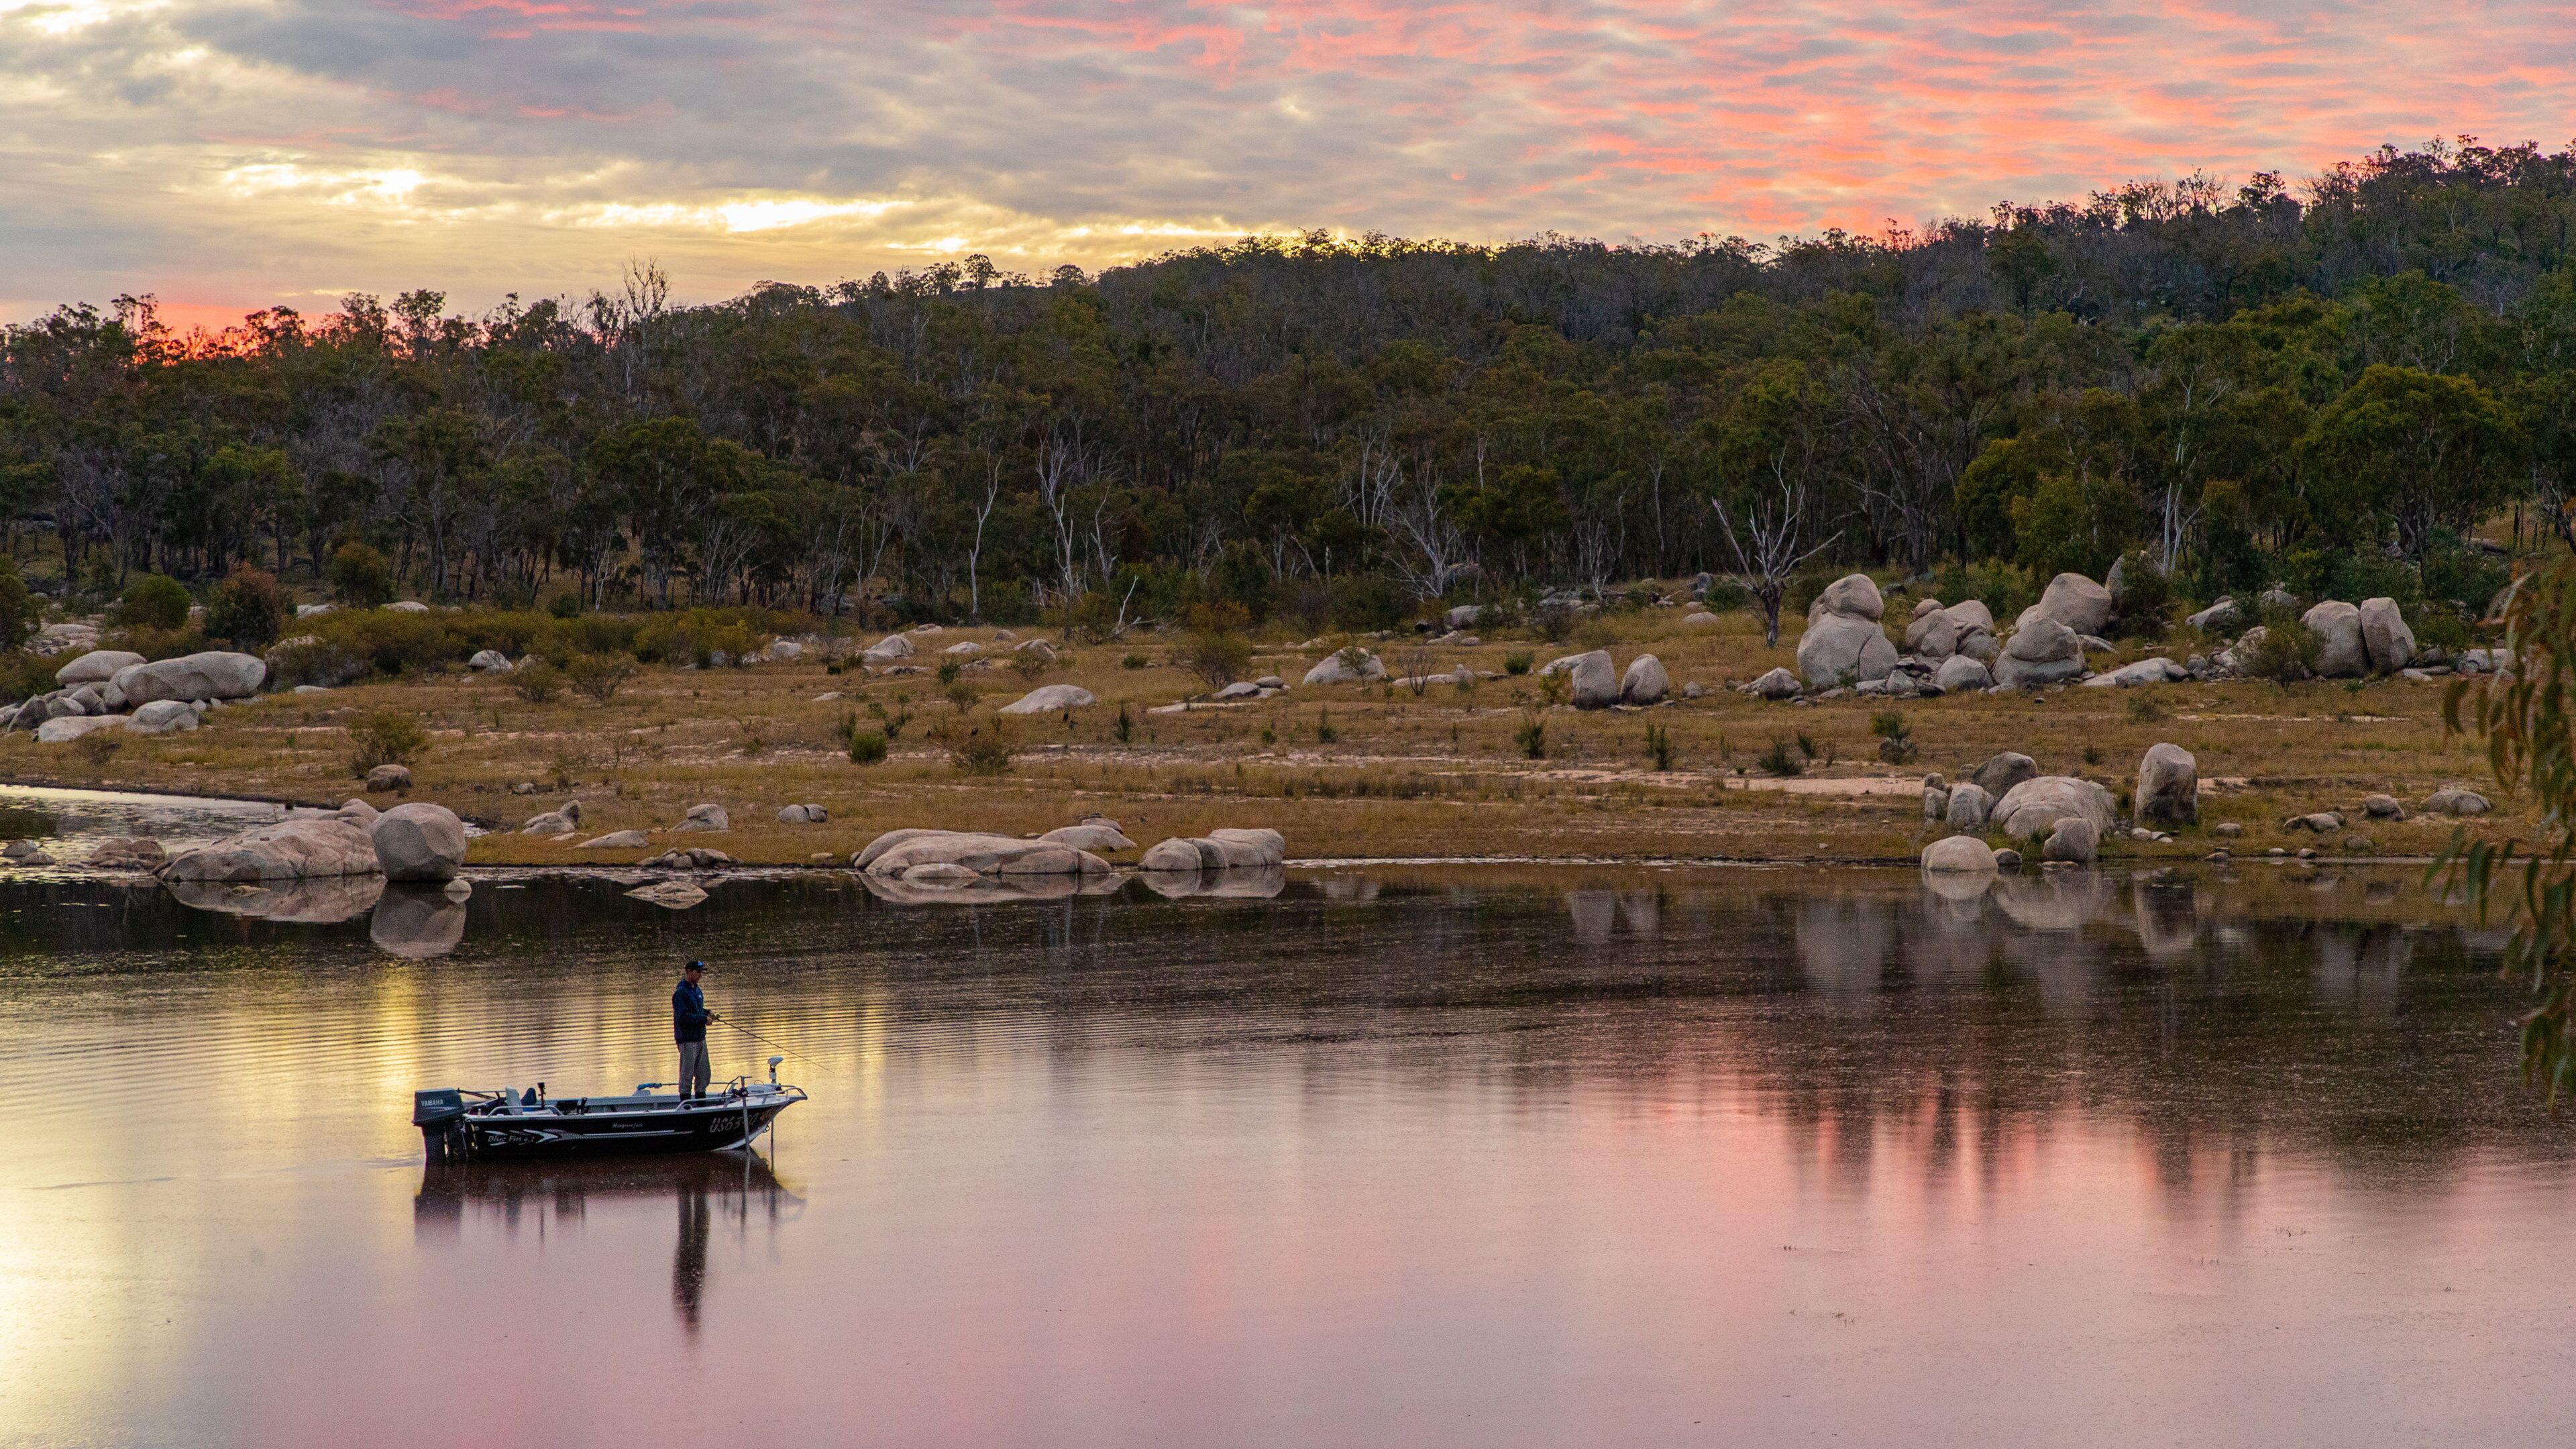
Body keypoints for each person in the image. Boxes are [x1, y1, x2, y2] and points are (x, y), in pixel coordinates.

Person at [673, 961, 715, 1098]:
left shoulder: (696, 990)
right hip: (687, 1040)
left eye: (701, 972)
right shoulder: (681, 992)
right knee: (687, 1075)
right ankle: (685, 1106)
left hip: (700, 1038)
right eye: (698, 972)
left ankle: (701, 1102)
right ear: (689, 972)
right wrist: (703, 1019)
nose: (700, 975)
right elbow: (683, 1017)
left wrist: (707, 1012)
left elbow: (695, 1010)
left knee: (703, 1074)